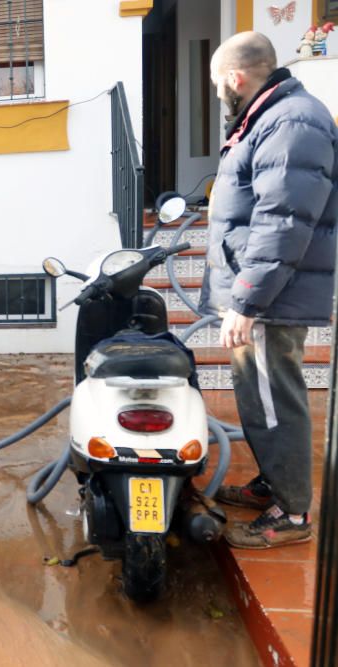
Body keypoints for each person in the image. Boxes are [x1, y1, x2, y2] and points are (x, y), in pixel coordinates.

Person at [200, 32, 337, 548]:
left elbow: (283, 221)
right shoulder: (272, 116)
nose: (219, 95)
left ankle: (293, 515)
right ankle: (273, 484)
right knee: (259, 397)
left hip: (269, 298)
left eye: (218, 84)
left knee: (274, 399)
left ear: (236, 77)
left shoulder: (291, 121)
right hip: (265, 294)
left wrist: (247, 301)